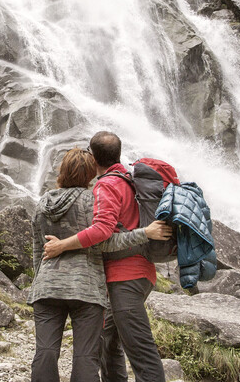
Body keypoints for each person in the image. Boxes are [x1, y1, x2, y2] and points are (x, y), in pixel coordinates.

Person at [30, 147, 172, 382]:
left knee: (45, 351)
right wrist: (144, 233)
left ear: (62, 170)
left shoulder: (43, 202)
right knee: (86, 356)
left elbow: (38, 247)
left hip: (47, 286)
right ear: (90, 173)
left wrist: (38, 280)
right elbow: (104, 241)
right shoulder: (94, 198)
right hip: (87, 289)